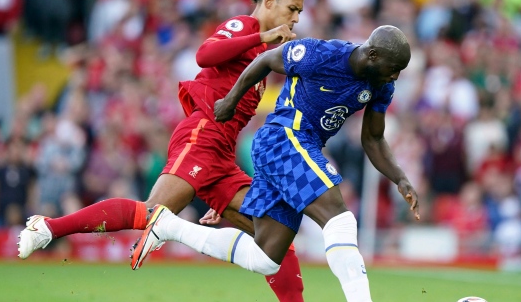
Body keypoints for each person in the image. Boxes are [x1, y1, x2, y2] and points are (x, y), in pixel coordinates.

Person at [18, 0, 306, 302]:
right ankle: (48, 228)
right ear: (268, 2)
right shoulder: (244, 27)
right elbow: (204, 55)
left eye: (299, 12)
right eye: (292, 8)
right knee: (152, 211)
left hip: (222, 155)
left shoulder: (265, 53)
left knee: (276, 233)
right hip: (203, 135)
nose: (296, 18)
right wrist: (262, 36)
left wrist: (217, 191)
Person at [132, 25, 420, 302]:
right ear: (372, 55)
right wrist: (231, 100)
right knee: (340, 218)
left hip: (294, 148)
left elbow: (373, 138)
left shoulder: (381, 85)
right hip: (284, 137)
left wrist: (400, 177)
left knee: (266, 258)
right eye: (393, 68)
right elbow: (265, 59)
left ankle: (169, 227)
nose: (395, 76)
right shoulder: (321, 54)